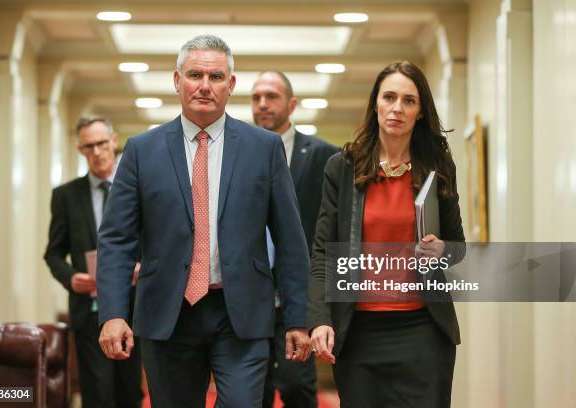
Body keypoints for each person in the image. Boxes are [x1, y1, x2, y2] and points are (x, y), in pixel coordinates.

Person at [96, 35, 312, 408]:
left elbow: (291, 241)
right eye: (195, 74)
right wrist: (113, 313)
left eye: (216, 77)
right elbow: (117, 240)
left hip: (241, 313)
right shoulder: (140, 151)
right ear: (178, 81)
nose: (205, 86)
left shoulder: (264, 148)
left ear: (231, 85)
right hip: (168, 313)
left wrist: (297, 318)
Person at [308, 61, 466, 408]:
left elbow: (459, 248)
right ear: (375, 104)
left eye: (409, 101)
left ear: (421, 111)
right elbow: (322, 252)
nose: (397, 108)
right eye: (389, 97)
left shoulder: (438, 168)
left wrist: (442, 250)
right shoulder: (343, 167)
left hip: (424, 331)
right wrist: (319, 319)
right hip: (359, 332)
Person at [252, 71, 339, 408]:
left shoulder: (324, 156)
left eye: (271, 96)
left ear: (292, 104)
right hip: (249, 295)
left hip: (298, 295)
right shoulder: (236, 153)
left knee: (295, 386)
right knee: (250, 390)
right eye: (256, 97)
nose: (262, 104)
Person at [44, 117, 143, 408]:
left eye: (102, 143)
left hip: (135, 305)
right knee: (97, 393)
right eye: (89, 147)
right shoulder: (66, 196)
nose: (97, 152)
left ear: (113, 141)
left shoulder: (138, 188)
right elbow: (53, 253)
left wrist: (143, 267)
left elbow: (156, 242)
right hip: (89, 311)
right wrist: (70, 277)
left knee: (130, 392)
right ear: (80, 149)